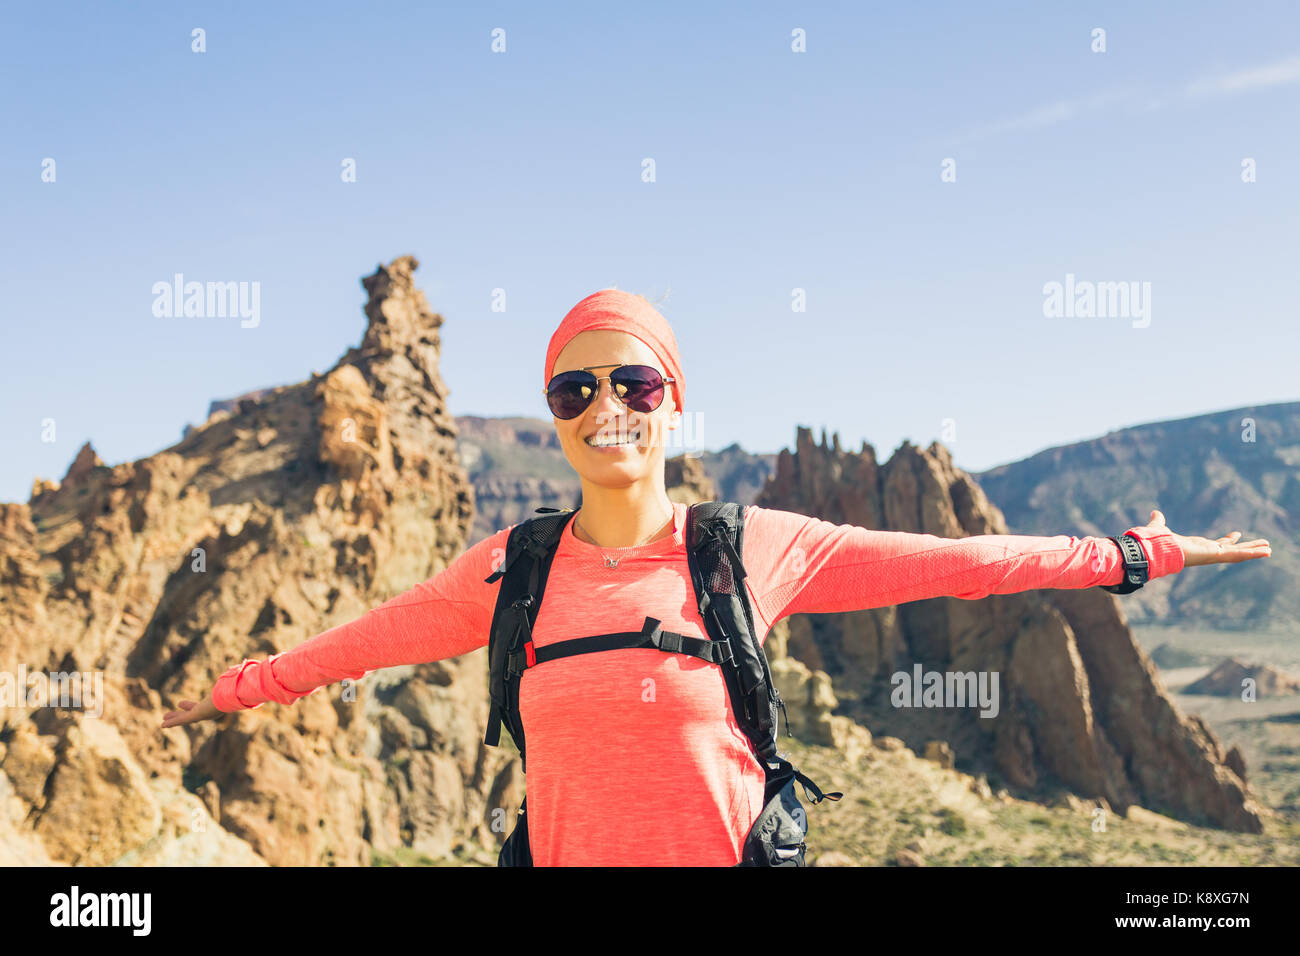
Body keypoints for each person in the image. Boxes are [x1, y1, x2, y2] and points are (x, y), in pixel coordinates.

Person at [162, 288, 1272, 866]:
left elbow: (964, 562)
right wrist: (245, 682)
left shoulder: (747, 548)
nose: (607, 408)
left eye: (635, 382)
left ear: (671, 399)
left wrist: (1139, 552)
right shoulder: (512, 566)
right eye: (574, 389)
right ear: (552, 417)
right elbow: (360, 642)